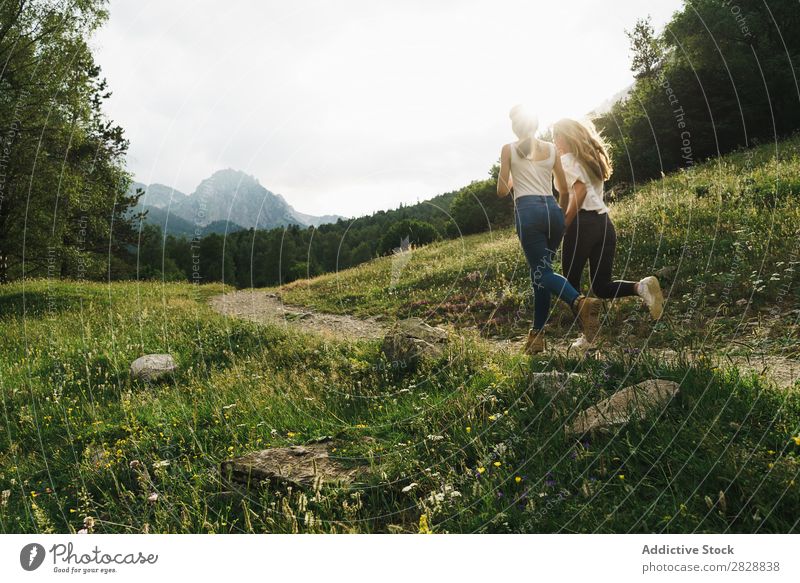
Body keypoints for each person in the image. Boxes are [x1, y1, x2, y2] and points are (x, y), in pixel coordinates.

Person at [497, 105, 602, 354]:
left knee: (542, 273)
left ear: (515, 127)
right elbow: (564, 191)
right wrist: (558, 218)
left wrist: (510, 174)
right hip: (553, 212)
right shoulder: (552, 149)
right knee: (541, 274)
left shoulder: (508, 149)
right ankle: (537, 336)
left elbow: (502, 191)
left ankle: (579, 302)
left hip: (528, 211)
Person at [552, 118, 664, 351]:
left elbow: (580, 192)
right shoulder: (591, 161)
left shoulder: (566, 160)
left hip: (582, 225)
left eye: (556, 136)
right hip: (604, 225)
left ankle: (588, 339)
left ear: (565, 138)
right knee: (601, 286)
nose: (554, 142)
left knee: (570, 285)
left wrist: (564, 224)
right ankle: (640, 287)